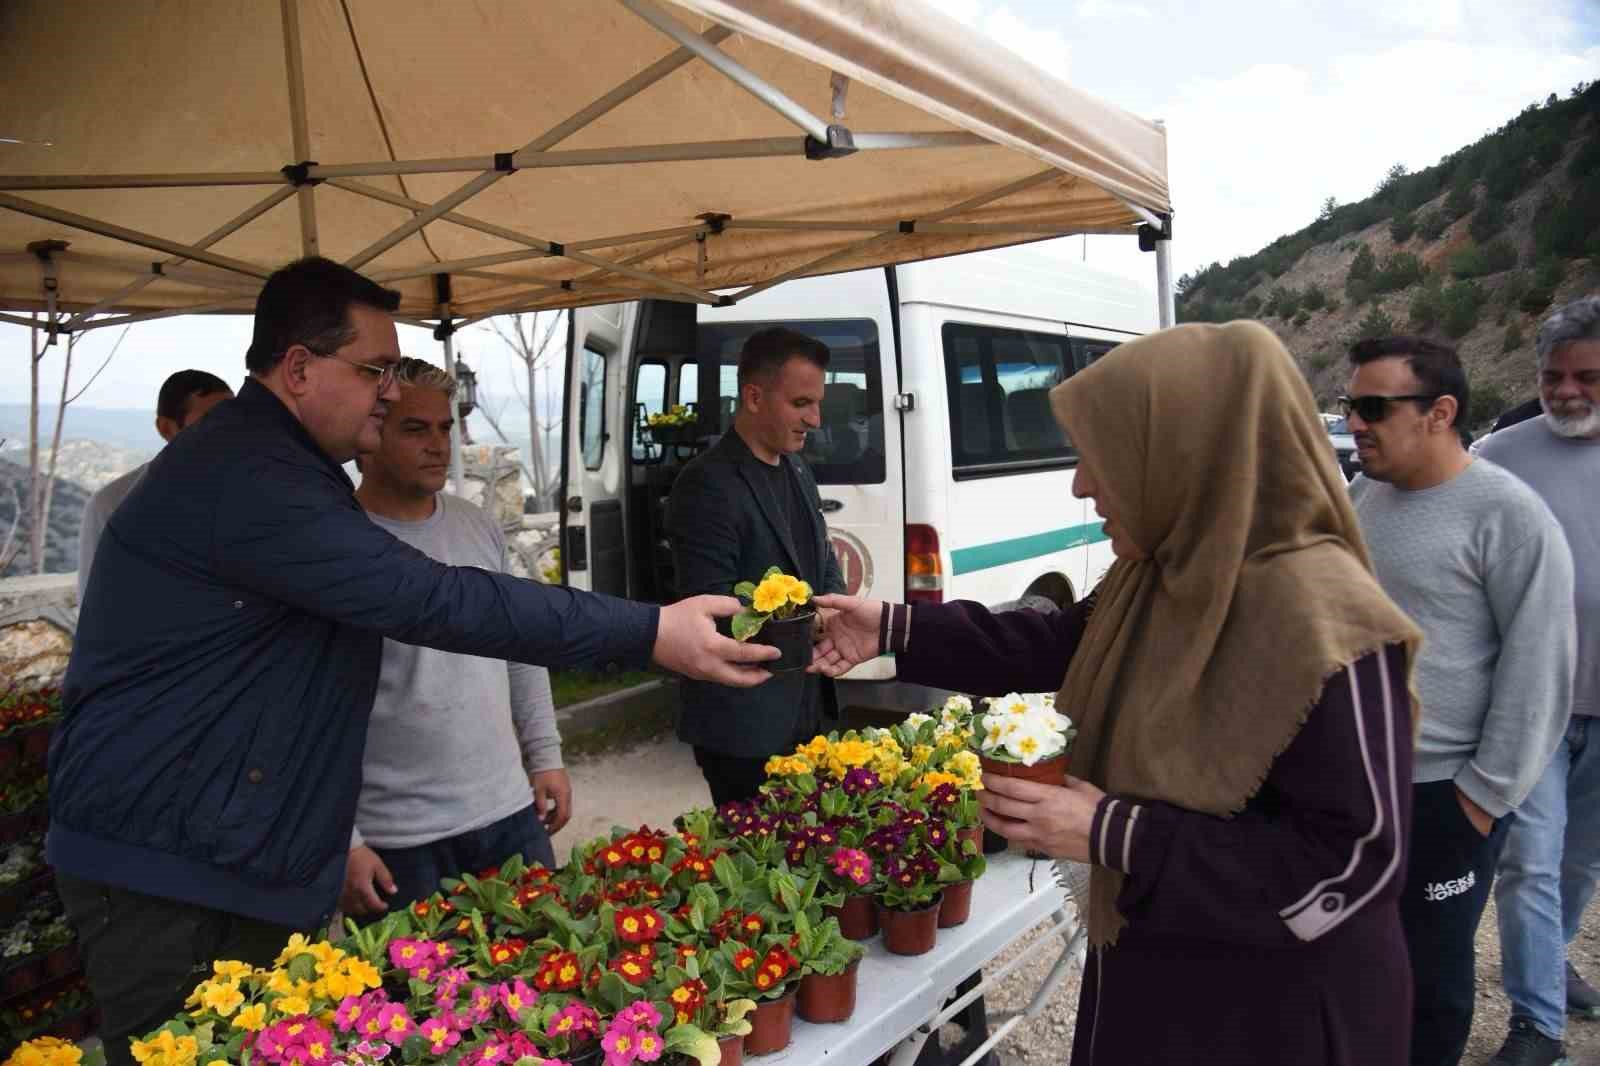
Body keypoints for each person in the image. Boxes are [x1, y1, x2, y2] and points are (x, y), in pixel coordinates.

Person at [48, 256, 776, 1066]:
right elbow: (429, 598)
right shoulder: (252, 477)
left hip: (215, 851)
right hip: (171, 870)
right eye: (374, 371)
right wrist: (650, 631)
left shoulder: (280, 467)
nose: (391, 392)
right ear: (297, 368)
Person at [811, 320, 1423, 1066]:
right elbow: (1048, 643)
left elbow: (1353, 861)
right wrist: (892, 627)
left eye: (1099, 457)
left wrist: (1115, 834)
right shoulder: (1164, 569)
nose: (1081, 484)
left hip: (1271, 1013)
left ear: (1182, 453)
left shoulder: (1326, 621)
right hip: (1169, 968)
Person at [1343, 335, 1575, 1066]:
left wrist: (1483, 799)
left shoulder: (1508, 514)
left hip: (1445, 794)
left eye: (1374, 407)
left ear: (1440, 412)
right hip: (1354, 783)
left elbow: (1540, 669)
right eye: (1351, 406)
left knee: (1431, 981)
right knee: (1354, 962)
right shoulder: (1363, 496)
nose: (1355, 423)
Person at [340, 357, 571, 919]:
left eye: (444, 428)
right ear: (369, 436)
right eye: (415, 429)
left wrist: (545, 755)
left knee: (548, 987)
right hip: (399, 839)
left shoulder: (476, 524)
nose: (438, 445)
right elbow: (306, 704)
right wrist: (344, 842)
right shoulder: (338, 544)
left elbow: (522, 645)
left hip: (509, 813)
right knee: (413, 1003)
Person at [1480, 295, 1600, 1066]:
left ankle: (1549, 964)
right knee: (1528, 861)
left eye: (1586, 376)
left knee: (1580, 862)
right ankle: (1537, 1028)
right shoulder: (1500, 456)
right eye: (1552, 376)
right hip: (1536, 706)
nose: (1565, 391)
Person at [668, 327, 846, 806]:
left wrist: (835, 606)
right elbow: (717, 606)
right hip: (742, 724)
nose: (815, 418)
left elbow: (822, 557)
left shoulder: (798, 468)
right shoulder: (705, 483)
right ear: (753, 396)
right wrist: (815, 622)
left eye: (817, 403)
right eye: (801, 403)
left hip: (807, 708)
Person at [76, 369, 233, 598]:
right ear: (166, 428)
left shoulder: (249, 494)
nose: (227, 433)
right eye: (210, 423)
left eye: (234, 421)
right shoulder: (112, 504)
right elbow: (92, 603)